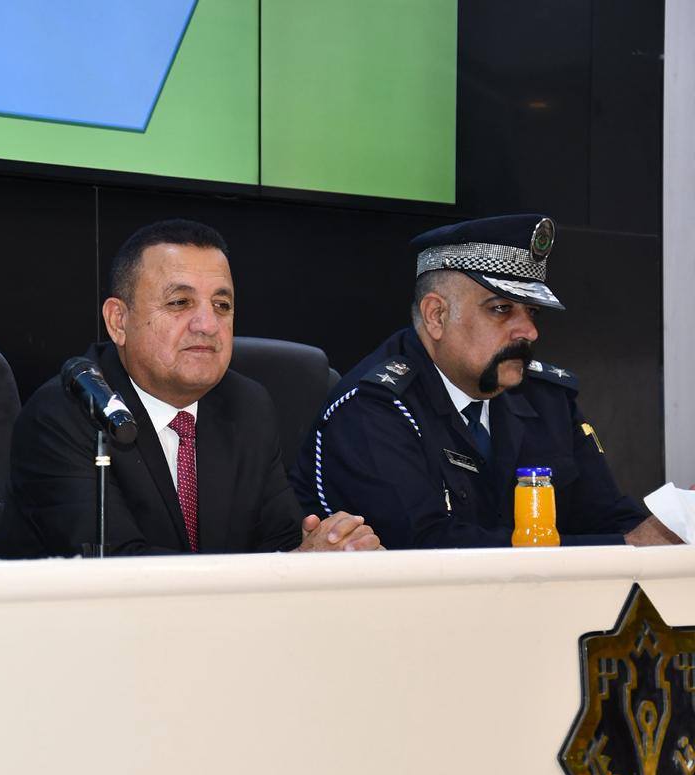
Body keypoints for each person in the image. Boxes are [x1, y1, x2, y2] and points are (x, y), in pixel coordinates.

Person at [289, 214, 678, 548]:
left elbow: (607, 516)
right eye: (501, 309)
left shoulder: (546, 398)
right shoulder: (372, 409)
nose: (529, 332)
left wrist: (672, 527)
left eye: (531, 312)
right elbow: (427, 549)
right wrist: (627, 547)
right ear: (437, 316)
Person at [0, 219, 379, 557]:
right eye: (180, 302)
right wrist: (294, 564)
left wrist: (326, 548)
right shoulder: (69, 413)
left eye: (222, 306)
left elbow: (279, 541)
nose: (208, 325)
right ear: (118, 321)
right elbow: (117, 567)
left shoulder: (248, 406)